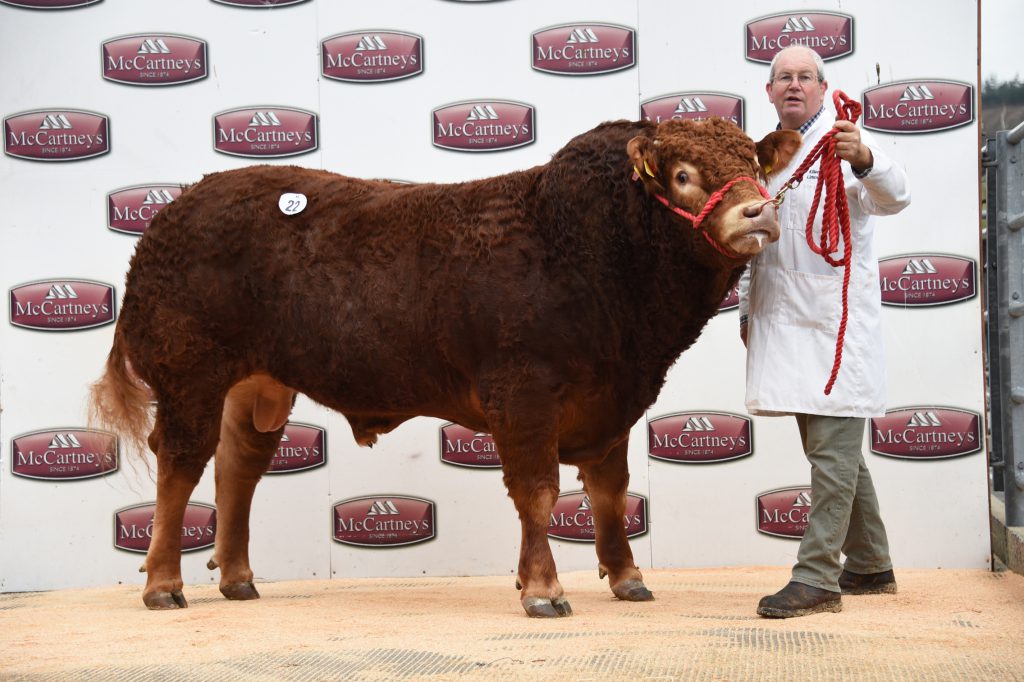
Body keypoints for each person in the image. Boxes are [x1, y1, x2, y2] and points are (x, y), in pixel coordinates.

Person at [738, 45, 911, 618]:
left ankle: (817, 578)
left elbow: (894, 196)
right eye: (783, 77)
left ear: (821, 86)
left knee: (832, 458)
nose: (794, 85)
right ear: (768, 93)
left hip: (836, 327)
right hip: (786, 322)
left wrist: (865, 158)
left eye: (805, 77)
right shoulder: (763, 158)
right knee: (833, 452)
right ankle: (871, 564)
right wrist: (746, 311)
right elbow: (757, 247)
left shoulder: (844, 143)